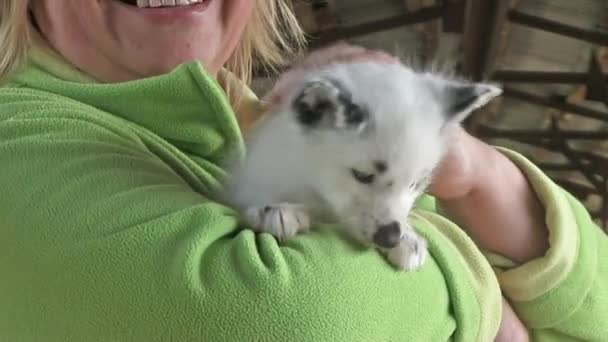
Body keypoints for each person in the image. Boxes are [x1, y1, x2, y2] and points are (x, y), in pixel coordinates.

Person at [0, 1, 606, 341]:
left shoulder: (302, 130)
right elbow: (285, 318)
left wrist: (479, 173)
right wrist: (482, 289)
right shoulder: (16, 140)